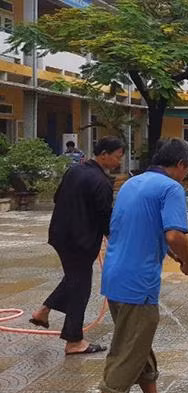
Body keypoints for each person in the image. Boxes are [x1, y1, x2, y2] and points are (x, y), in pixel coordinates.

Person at [81, 138, 188, 393]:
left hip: (115, 277)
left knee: (138, 344)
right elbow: (175, 234)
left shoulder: (131, 184)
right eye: (187, 170)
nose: (185, 175)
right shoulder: (171, 188)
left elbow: (139, 229)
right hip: (138, 283)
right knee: (128, 351)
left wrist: (168, 251)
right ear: (182, 166)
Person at [29, 136, 125, 355]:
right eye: (117, 157)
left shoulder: (74, 171)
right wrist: (116, 244)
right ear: (104, 154)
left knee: (74, 279)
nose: (119, 162)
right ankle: (74, 341)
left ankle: (42, 312)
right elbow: (105, 218)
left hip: (60, 236)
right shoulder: (102, 182)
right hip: (80, 242)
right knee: (80, 287)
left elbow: (56, 198)